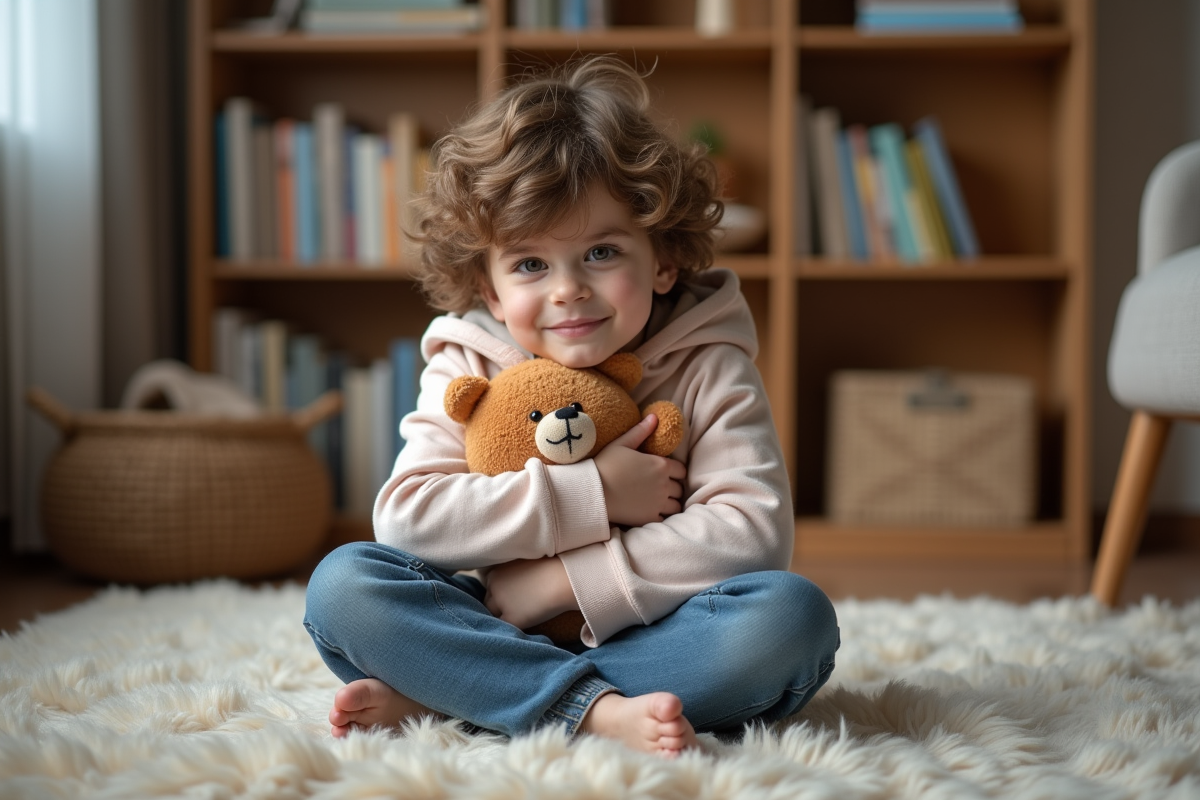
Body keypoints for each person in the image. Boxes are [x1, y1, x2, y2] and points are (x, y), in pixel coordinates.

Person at [303, 55, 839, 758]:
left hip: (659, 631)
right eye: (529, 264)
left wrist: (560, 583)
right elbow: (408, 519)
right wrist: (592, 492)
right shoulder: (468, 358)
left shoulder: (710, 361)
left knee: (790, 623)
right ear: (489, 291)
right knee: (345, 586)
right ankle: (591, 711)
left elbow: (751, 533)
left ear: (663, 261)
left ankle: (464, 695)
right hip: (485, 618)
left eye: (602, 252)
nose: (567, 291)